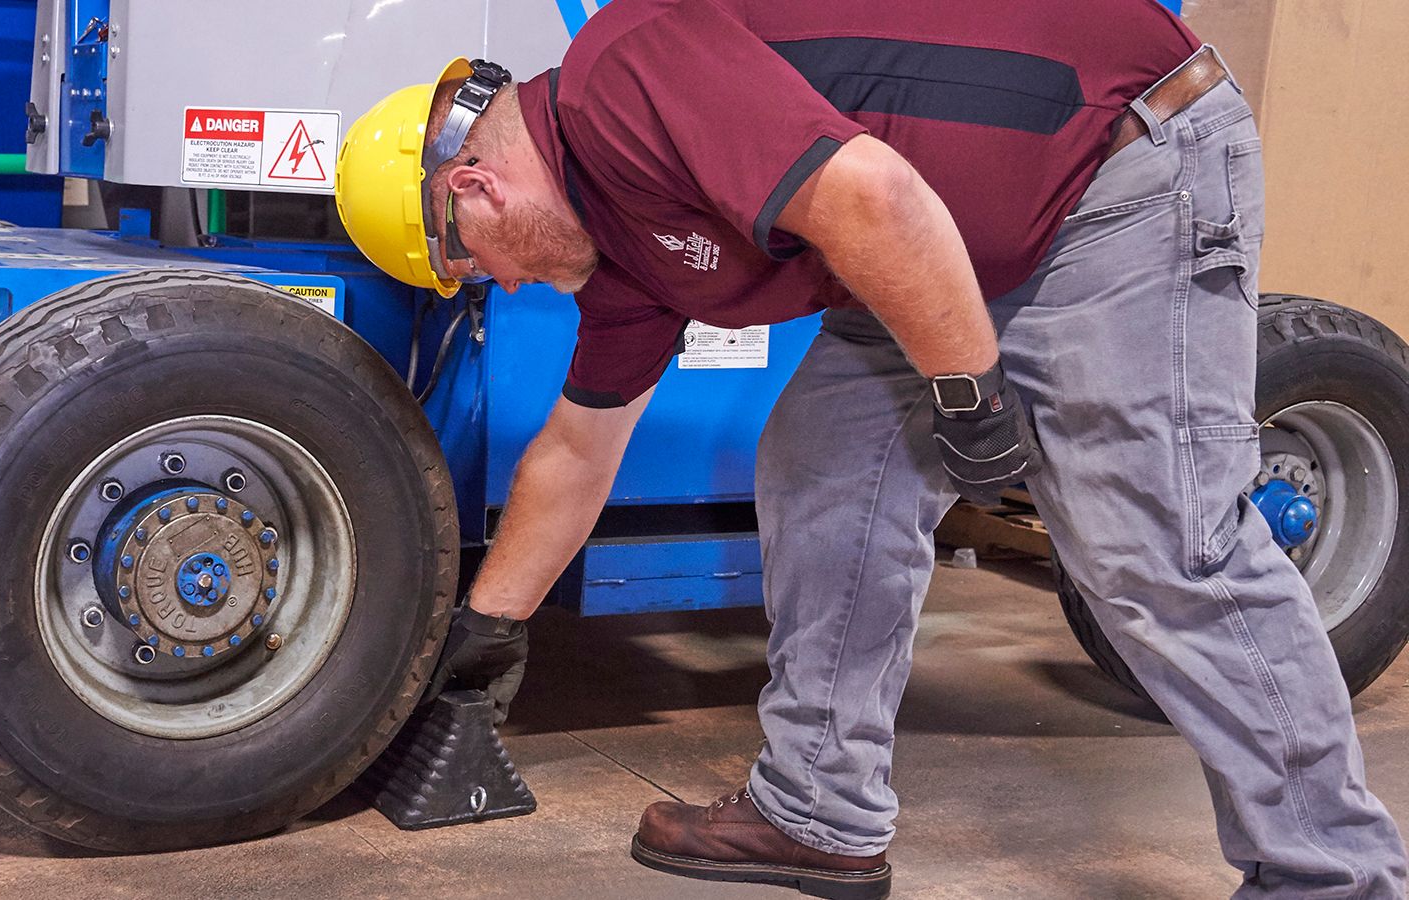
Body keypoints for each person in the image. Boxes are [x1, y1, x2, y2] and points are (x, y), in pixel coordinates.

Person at [334, 0, 1407, 896]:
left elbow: (871, 195)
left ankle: (1331, 870)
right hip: (929, 244)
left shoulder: (623, 73)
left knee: (1158, 543)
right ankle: (817, 810)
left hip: (1110, 176)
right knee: (824, 466)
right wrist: (484, 631)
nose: (501, 286)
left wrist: (969, 395)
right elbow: (577, 449)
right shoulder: (617, 252)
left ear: (471, 184)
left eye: (469, 265)